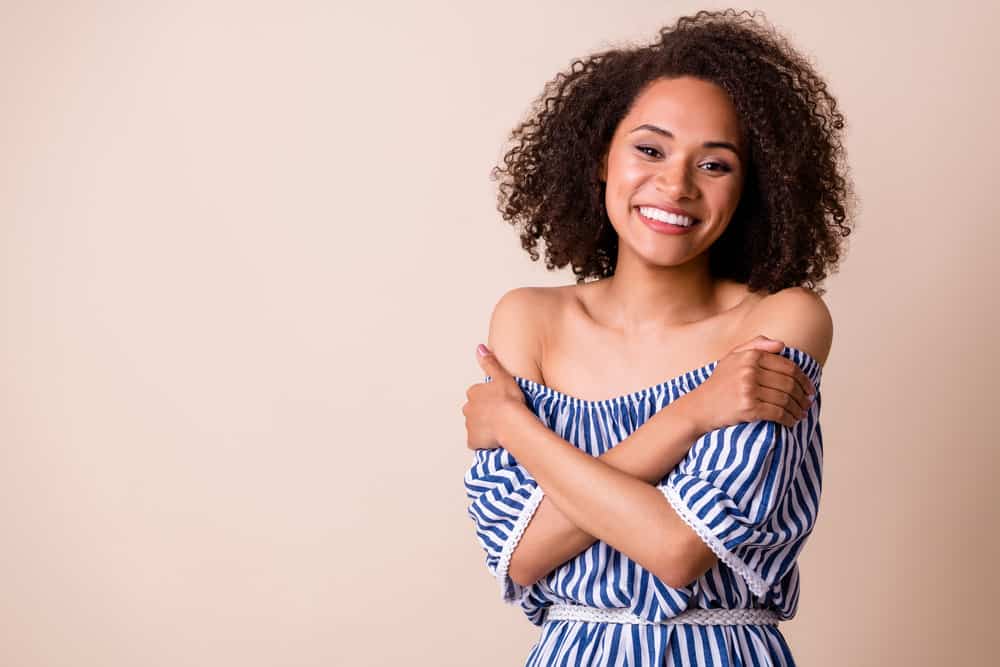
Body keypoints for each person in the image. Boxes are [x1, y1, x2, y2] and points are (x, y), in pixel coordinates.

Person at [461, 8, 856, 666]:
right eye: (650, 149)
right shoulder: (528, 319)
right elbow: (523, 554)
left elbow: (676, 549)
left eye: (715, 164)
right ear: (600, 159)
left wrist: (516, 427)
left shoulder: (782, 322)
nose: (675, 183)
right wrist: (696, 412)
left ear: (751, 188)